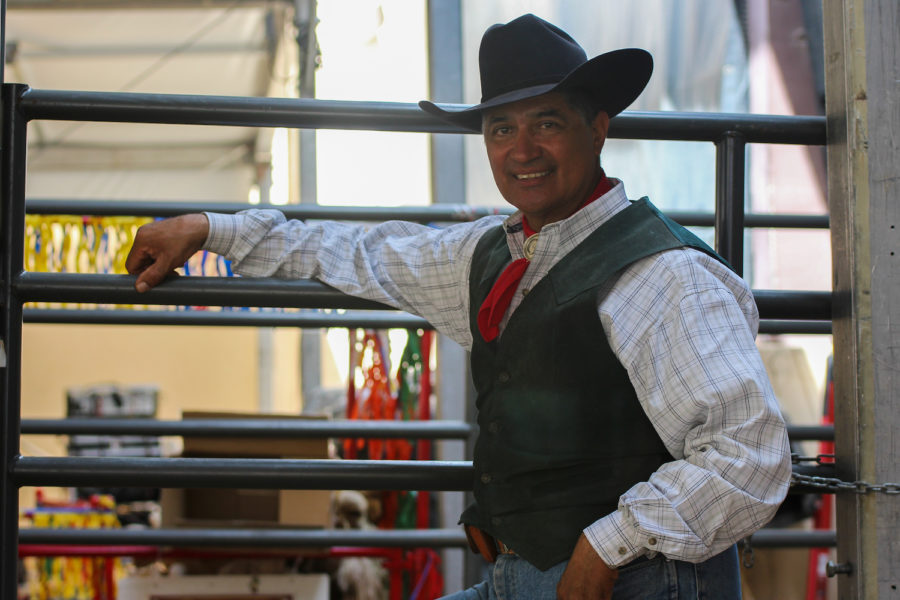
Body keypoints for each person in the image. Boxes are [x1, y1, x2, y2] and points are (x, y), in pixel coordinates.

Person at [126, 14, 791, 600]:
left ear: (598, 129)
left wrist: (607, 544)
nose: (521, 150)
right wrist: (215, 230)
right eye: (502, 128)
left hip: (635, 583)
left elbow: (749, 454)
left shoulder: (663, 274)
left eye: (547, 123)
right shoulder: (491, 254)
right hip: (526, 578)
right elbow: (364, 252)